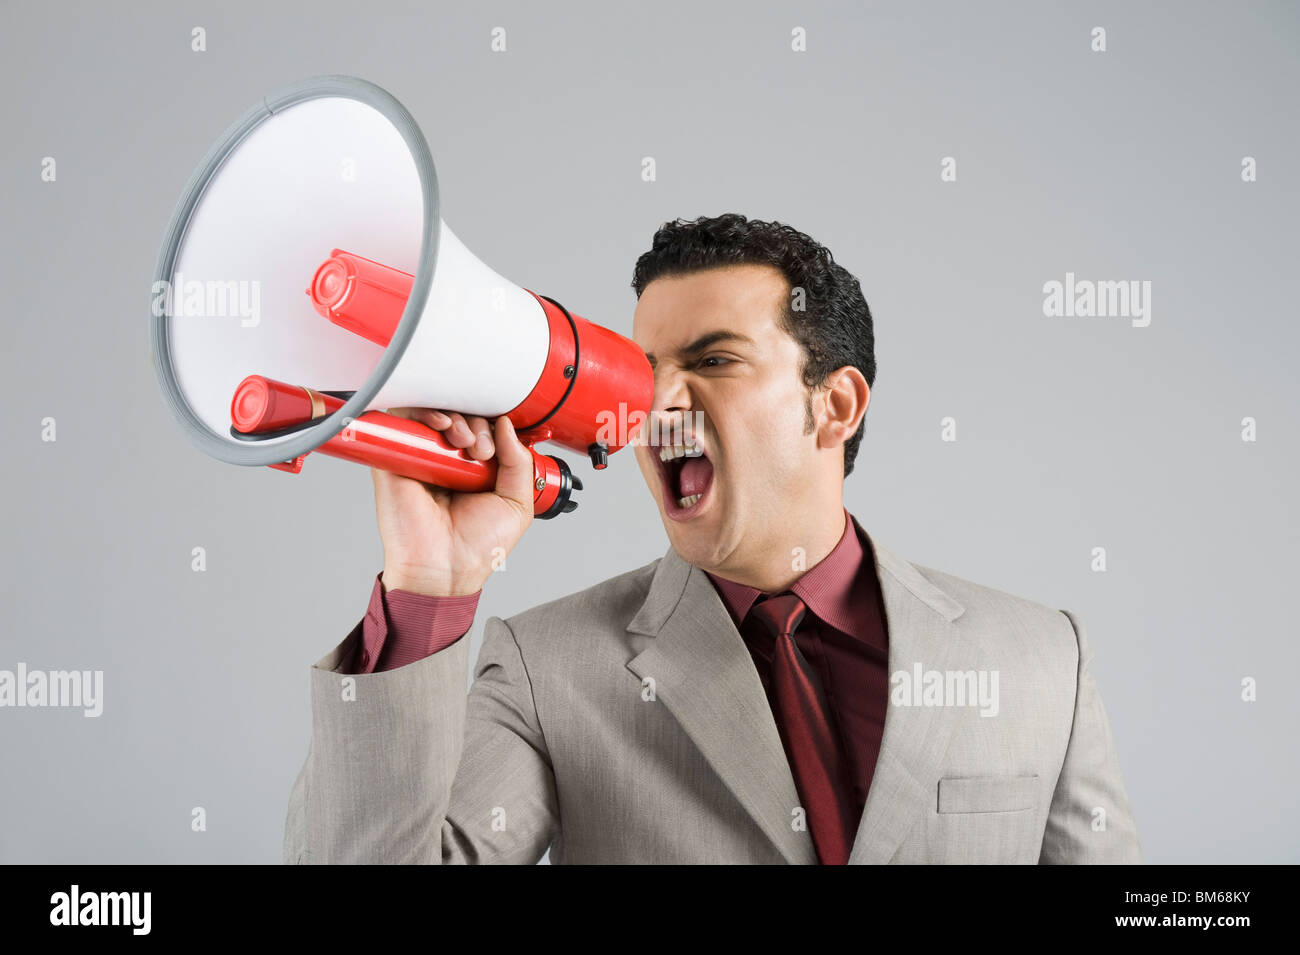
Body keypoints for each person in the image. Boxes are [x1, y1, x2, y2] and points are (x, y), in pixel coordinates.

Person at [283, 213, 1142, 864]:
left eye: (716, 360)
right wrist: (429, 587)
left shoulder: (1042, 660)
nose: (655, 404)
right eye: (645, 371)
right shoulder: (548, 670)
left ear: (833, 404)